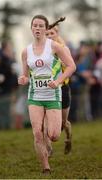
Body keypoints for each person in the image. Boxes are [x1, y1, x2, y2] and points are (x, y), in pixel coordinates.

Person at [18, 14, 76, 174]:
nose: (37, 28)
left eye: (40, 26)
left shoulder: (55, 47)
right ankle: (46, 167)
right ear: (31, 28)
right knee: (37, 133)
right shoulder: (25, 51)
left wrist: (57, 82)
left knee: (54, 135)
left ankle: (63, 138)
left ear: (46, 28)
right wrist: (23, 78)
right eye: (34, 25)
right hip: (35, 96)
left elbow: (72, 66)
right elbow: (25, 74)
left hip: (53, 96)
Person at [45, 17, 72, 155]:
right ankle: (48, 149)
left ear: (57, 34)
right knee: (46, 120)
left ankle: (68, 138)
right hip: (47, 89)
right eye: (47, 34)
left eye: (52, 34)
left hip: (63, 88)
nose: (49, 36)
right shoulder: (42, 51)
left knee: (62, 123)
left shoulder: (64, 49)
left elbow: (71, 67)